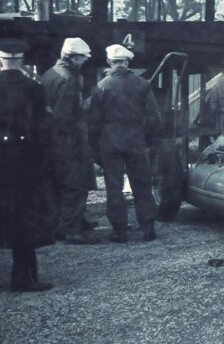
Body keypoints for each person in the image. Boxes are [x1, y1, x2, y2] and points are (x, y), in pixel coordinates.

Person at [88, 44, 161, 243]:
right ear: (127, 62)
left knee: (114, 188)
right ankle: (148, 229)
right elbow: (154, 117)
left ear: (109, 62)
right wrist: (150, 140)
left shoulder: (102, 86)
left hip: (110, 143)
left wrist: (94, 147)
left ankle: (119, 231)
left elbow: (93, 121)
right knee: (142, 186)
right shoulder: (142, 84)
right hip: (137, 142)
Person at [0, 38, 55, 292]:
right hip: (23, 164)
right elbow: (43, 133)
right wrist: (42, 165)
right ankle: (22, 278)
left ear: (1, 60)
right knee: (22, 220)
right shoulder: (34, 88)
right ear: (21, 60)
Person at [41, 37, 97, 244]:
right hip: (68, 142)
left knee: (55, 185)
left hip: (51, 141)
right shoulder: (69, 80)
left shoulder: (49, 74)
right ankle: (72, 230)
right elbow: (64, 117)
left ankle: (61, 225)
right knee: (75, 185)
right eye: (82, 58)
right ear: (73, 57)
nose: (84, 61)